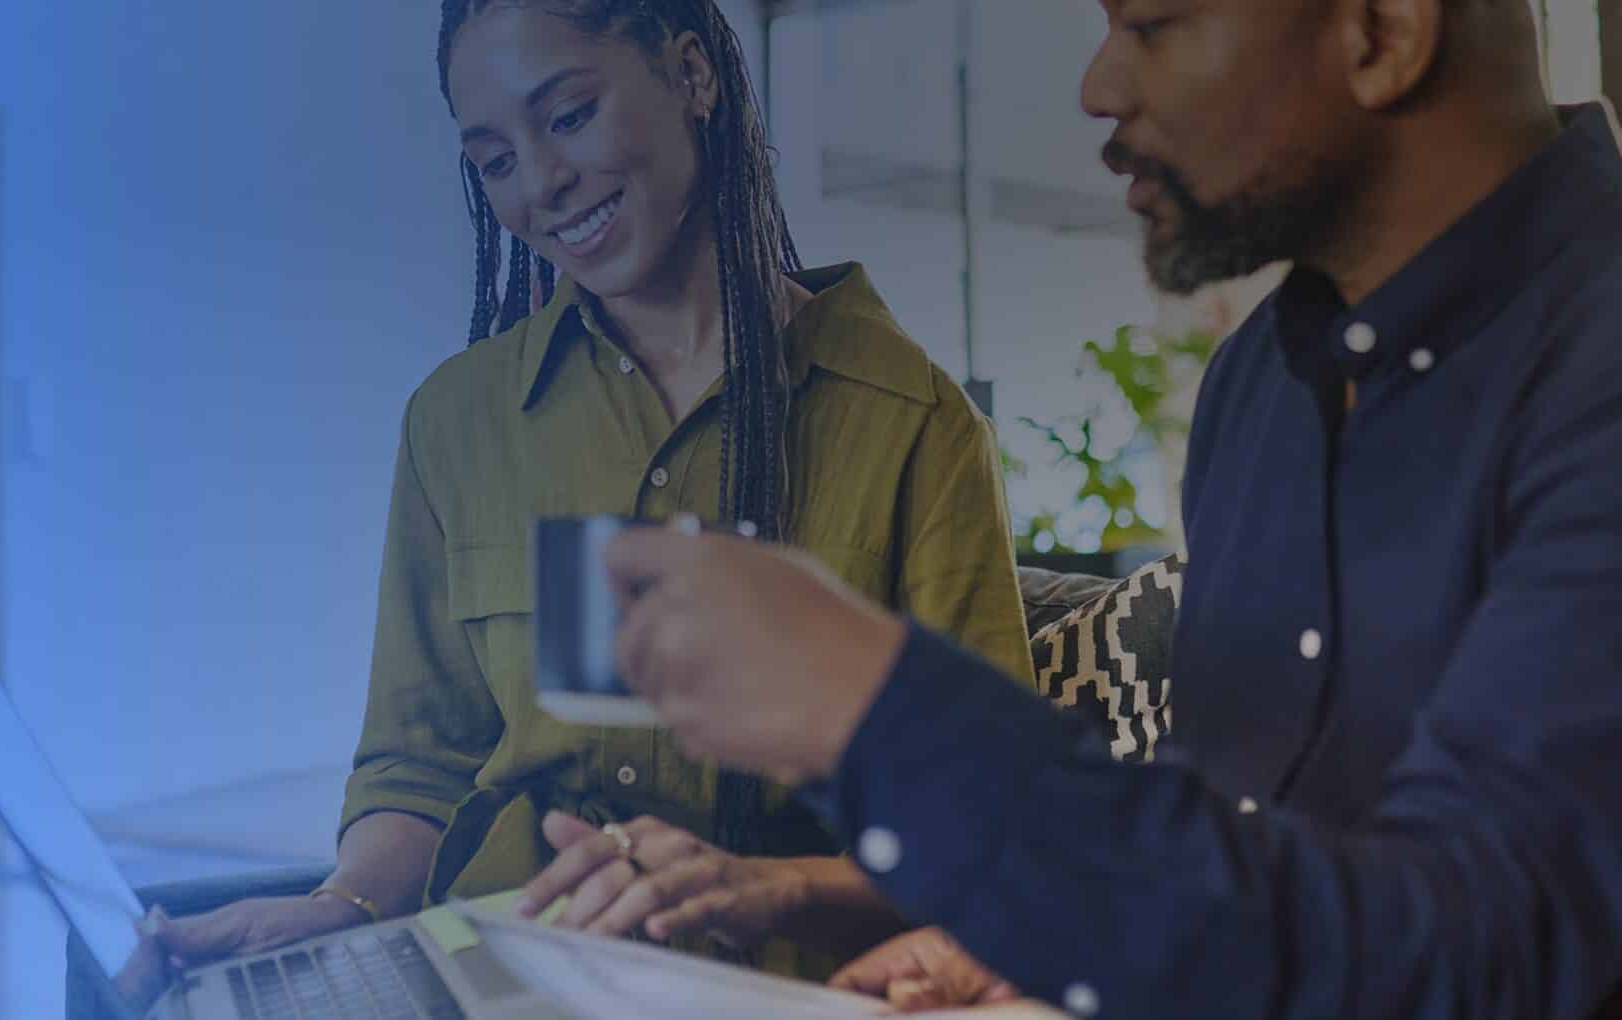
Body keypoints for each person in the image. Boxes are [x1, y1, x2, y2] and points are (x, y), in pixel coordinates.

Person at [591, 0, 1622, 1015]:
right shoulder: (1258, 382)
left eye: (1153, 26)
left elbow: (1492, 950)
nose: (1097, 88)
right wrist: (1052, 942)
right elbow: (1232, 851)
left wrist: (873, 702)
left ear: (1381, 34)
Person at [133, 0, 1034, 986]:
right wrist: (336, 908)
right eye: (494, 158)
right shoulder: (456, 420)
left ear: (693, 77)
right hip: (491, 971)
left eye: (567, 117)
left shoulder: (910, 420)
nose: (541, 185)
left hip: (776, 990)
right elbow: (421, 762)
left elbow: (988, 824)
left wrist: (764, 881)